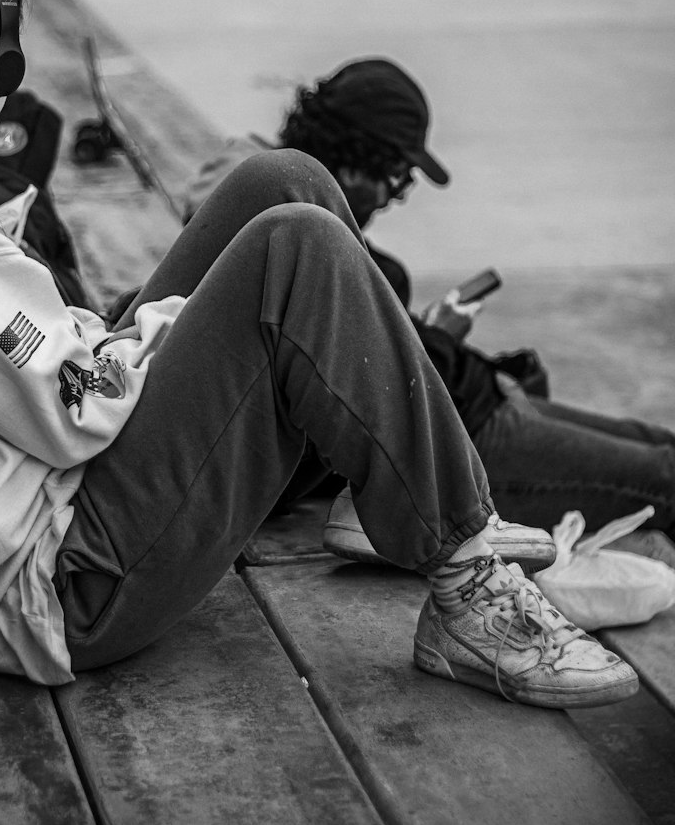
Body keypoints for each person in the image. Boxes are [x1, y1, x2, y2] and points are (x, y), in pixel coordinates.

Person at [0, 0, 638, 711]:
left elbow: (46, 376)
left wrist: (146, 335)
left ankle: (403, 489)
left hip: (53, 487)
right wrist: (186, 326)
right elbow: (80, 412)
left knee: (281, 181)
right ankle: (465, 581)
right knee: (298, 247)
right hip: (62, 586)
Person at [183, 58, 675, 563]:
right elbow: (360, 389)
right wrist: (438, 337)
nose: (397, 197)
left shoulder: (310, 241)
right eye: (397, 178)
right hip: (458, 444)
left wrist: (432, 338)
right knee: (664, 476)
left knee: (658, 446)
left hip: (476, 400)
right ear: (352, 162)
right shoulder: (299, 248)